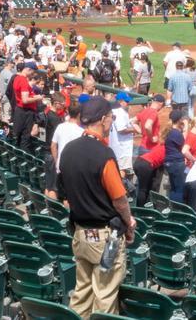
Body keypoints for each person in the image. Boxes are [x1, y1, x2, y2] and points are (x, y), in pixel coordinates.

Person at [58, 97, 136, 317]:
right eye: (110, 118)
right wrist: (129, 224)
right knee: (104, 295)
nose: (111, 122)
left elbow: (65, 192)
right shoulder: (104, 154)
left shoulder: (69, 150)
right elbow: (120, 199)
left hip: (80, 233)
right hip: (105, 237)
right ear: (103, 120)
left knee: (82, 292)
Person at [164, 110, 191, 203]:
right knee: (180, 189)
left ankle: (172, 208)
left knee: (174, 188)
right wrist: (186, 127)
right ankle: (178, 210)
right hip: (176, 163)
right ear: (179, 120)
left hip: (170, 163)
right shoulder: (175, 133)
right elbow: (184, 142)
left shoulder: (170, 131)